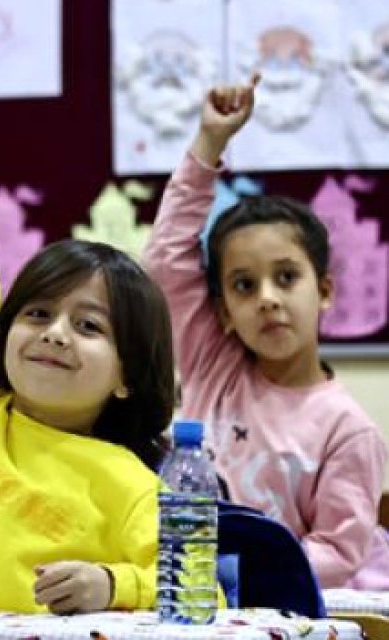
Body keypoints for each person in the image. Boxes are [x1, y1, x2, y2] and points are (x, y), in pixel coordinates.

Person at [0, 34, 175, 614]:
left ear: (128, 376)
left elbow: (204, 593)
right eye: (38, 313)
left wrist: (113, 584)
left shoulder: (132, 486)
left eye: (90, 327)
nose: (54, 333)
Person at [143, 74, 389, 589]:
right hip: (190, 597)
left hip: (273, 607)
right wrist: (209, 143)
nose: (268, 299)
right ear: (225, 311)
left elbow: (338, 553)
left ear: (323, 290)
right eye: (244, 285)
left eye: (286, 277)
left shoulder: (349, 430)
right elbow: (166, 259)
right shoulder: (215, 365)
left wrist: (234, 572)